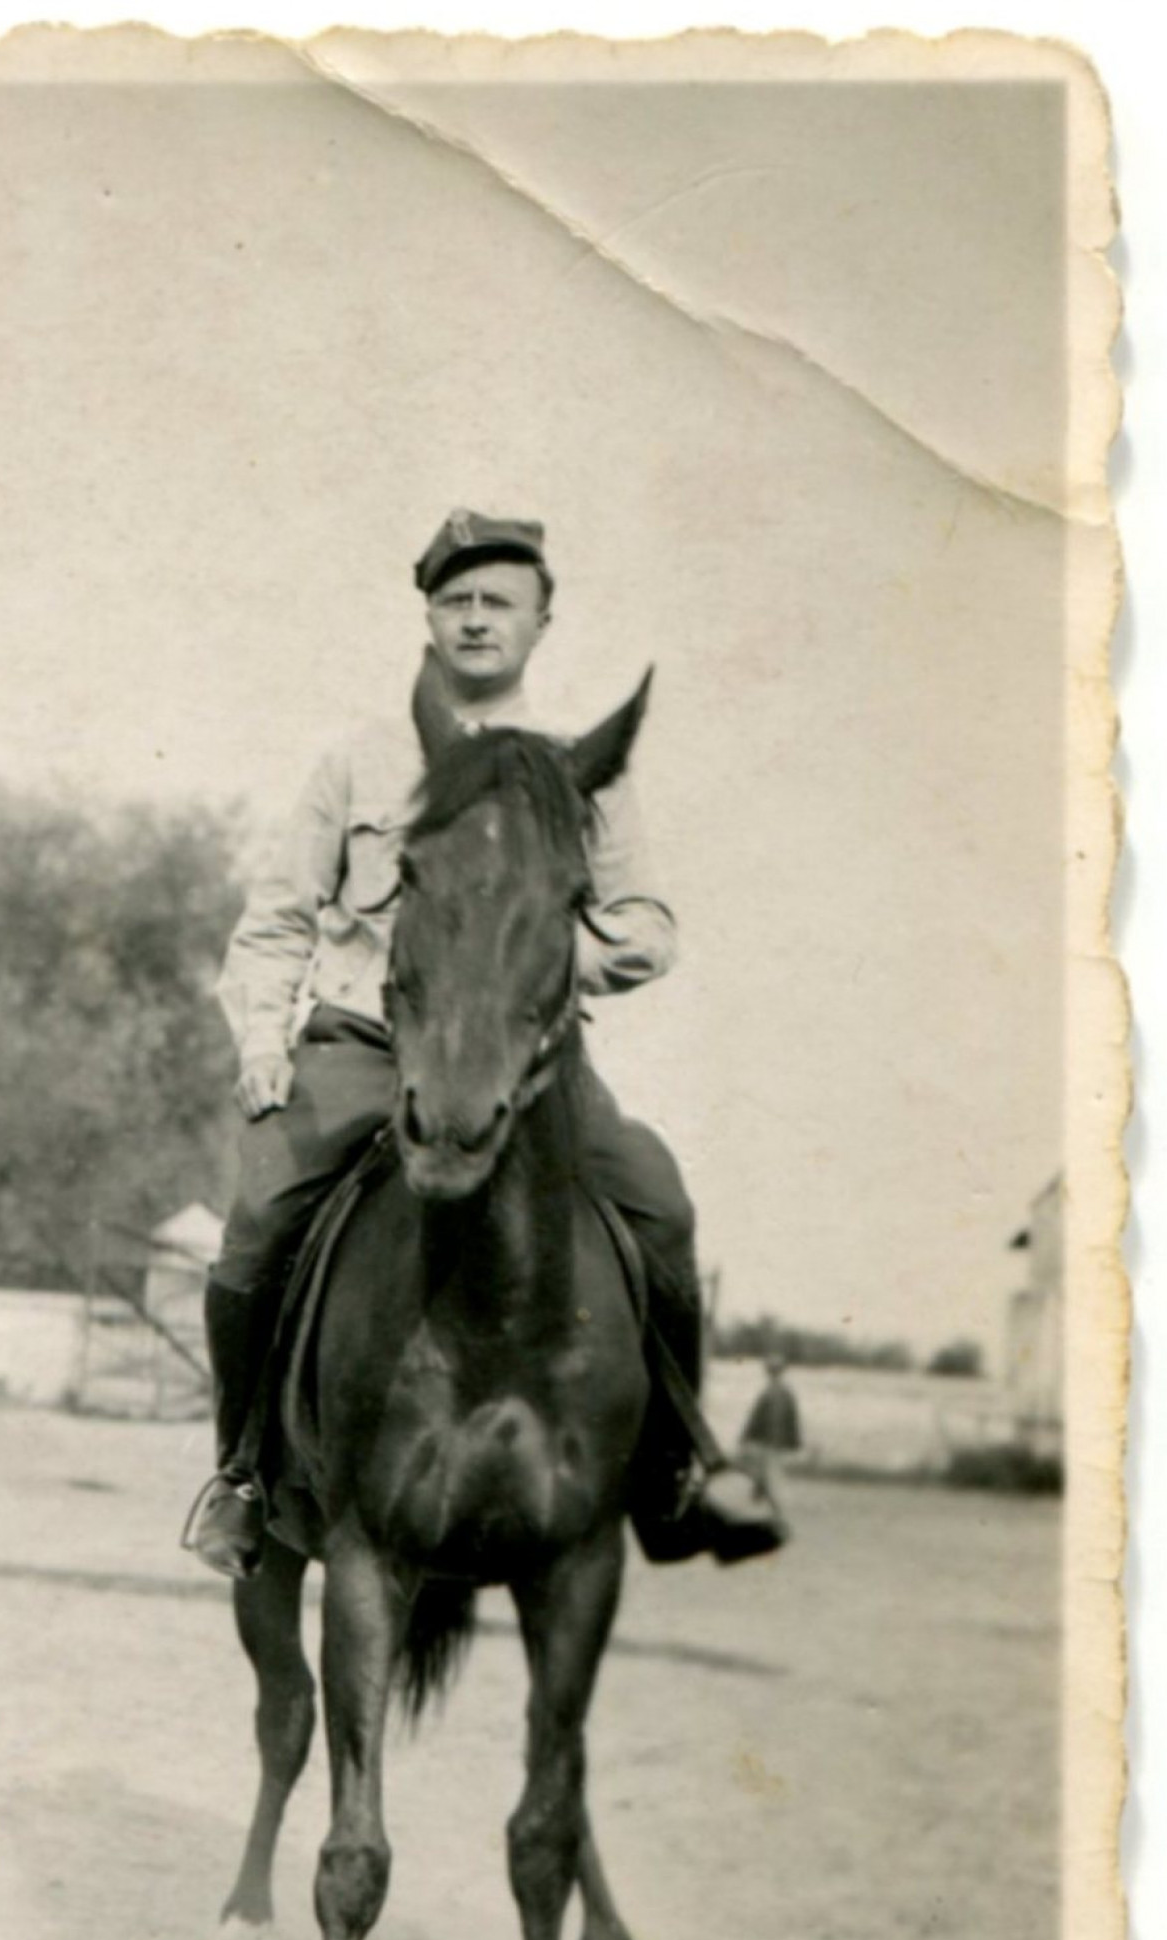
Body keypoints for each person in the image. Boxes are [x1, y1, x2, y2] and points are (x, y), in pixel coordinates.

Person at [183, 506, 788, 1582]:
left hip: (526, 1062)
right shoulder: (359, 761)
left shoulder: (579, 768)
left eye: (498, 601)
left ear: (540, 622)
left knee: (656, 1196)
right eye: (454, 600)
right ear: (427, 616)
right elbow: (276, 916)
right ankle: (242, 1472)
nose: (474, 620)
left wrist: (536, 963)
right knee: (259, 1218)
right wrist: (263, 1042)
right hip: (370, 1042)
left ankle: (676, 1473)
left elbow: (649, 925)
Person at [737, 1351, 804, 1517]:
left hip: (767, 1440)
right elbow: (793, 1419)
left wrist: (746, 1436)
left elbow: (756, 1417)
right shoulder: (787, 1393)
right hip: (778, 1440)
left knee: (768, 1472)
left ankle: (773, 1505)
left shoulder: (767, 1393)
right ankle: (761, 1498)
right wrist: (794, 1442)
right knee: (768, 1470)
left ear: (769, 1372)